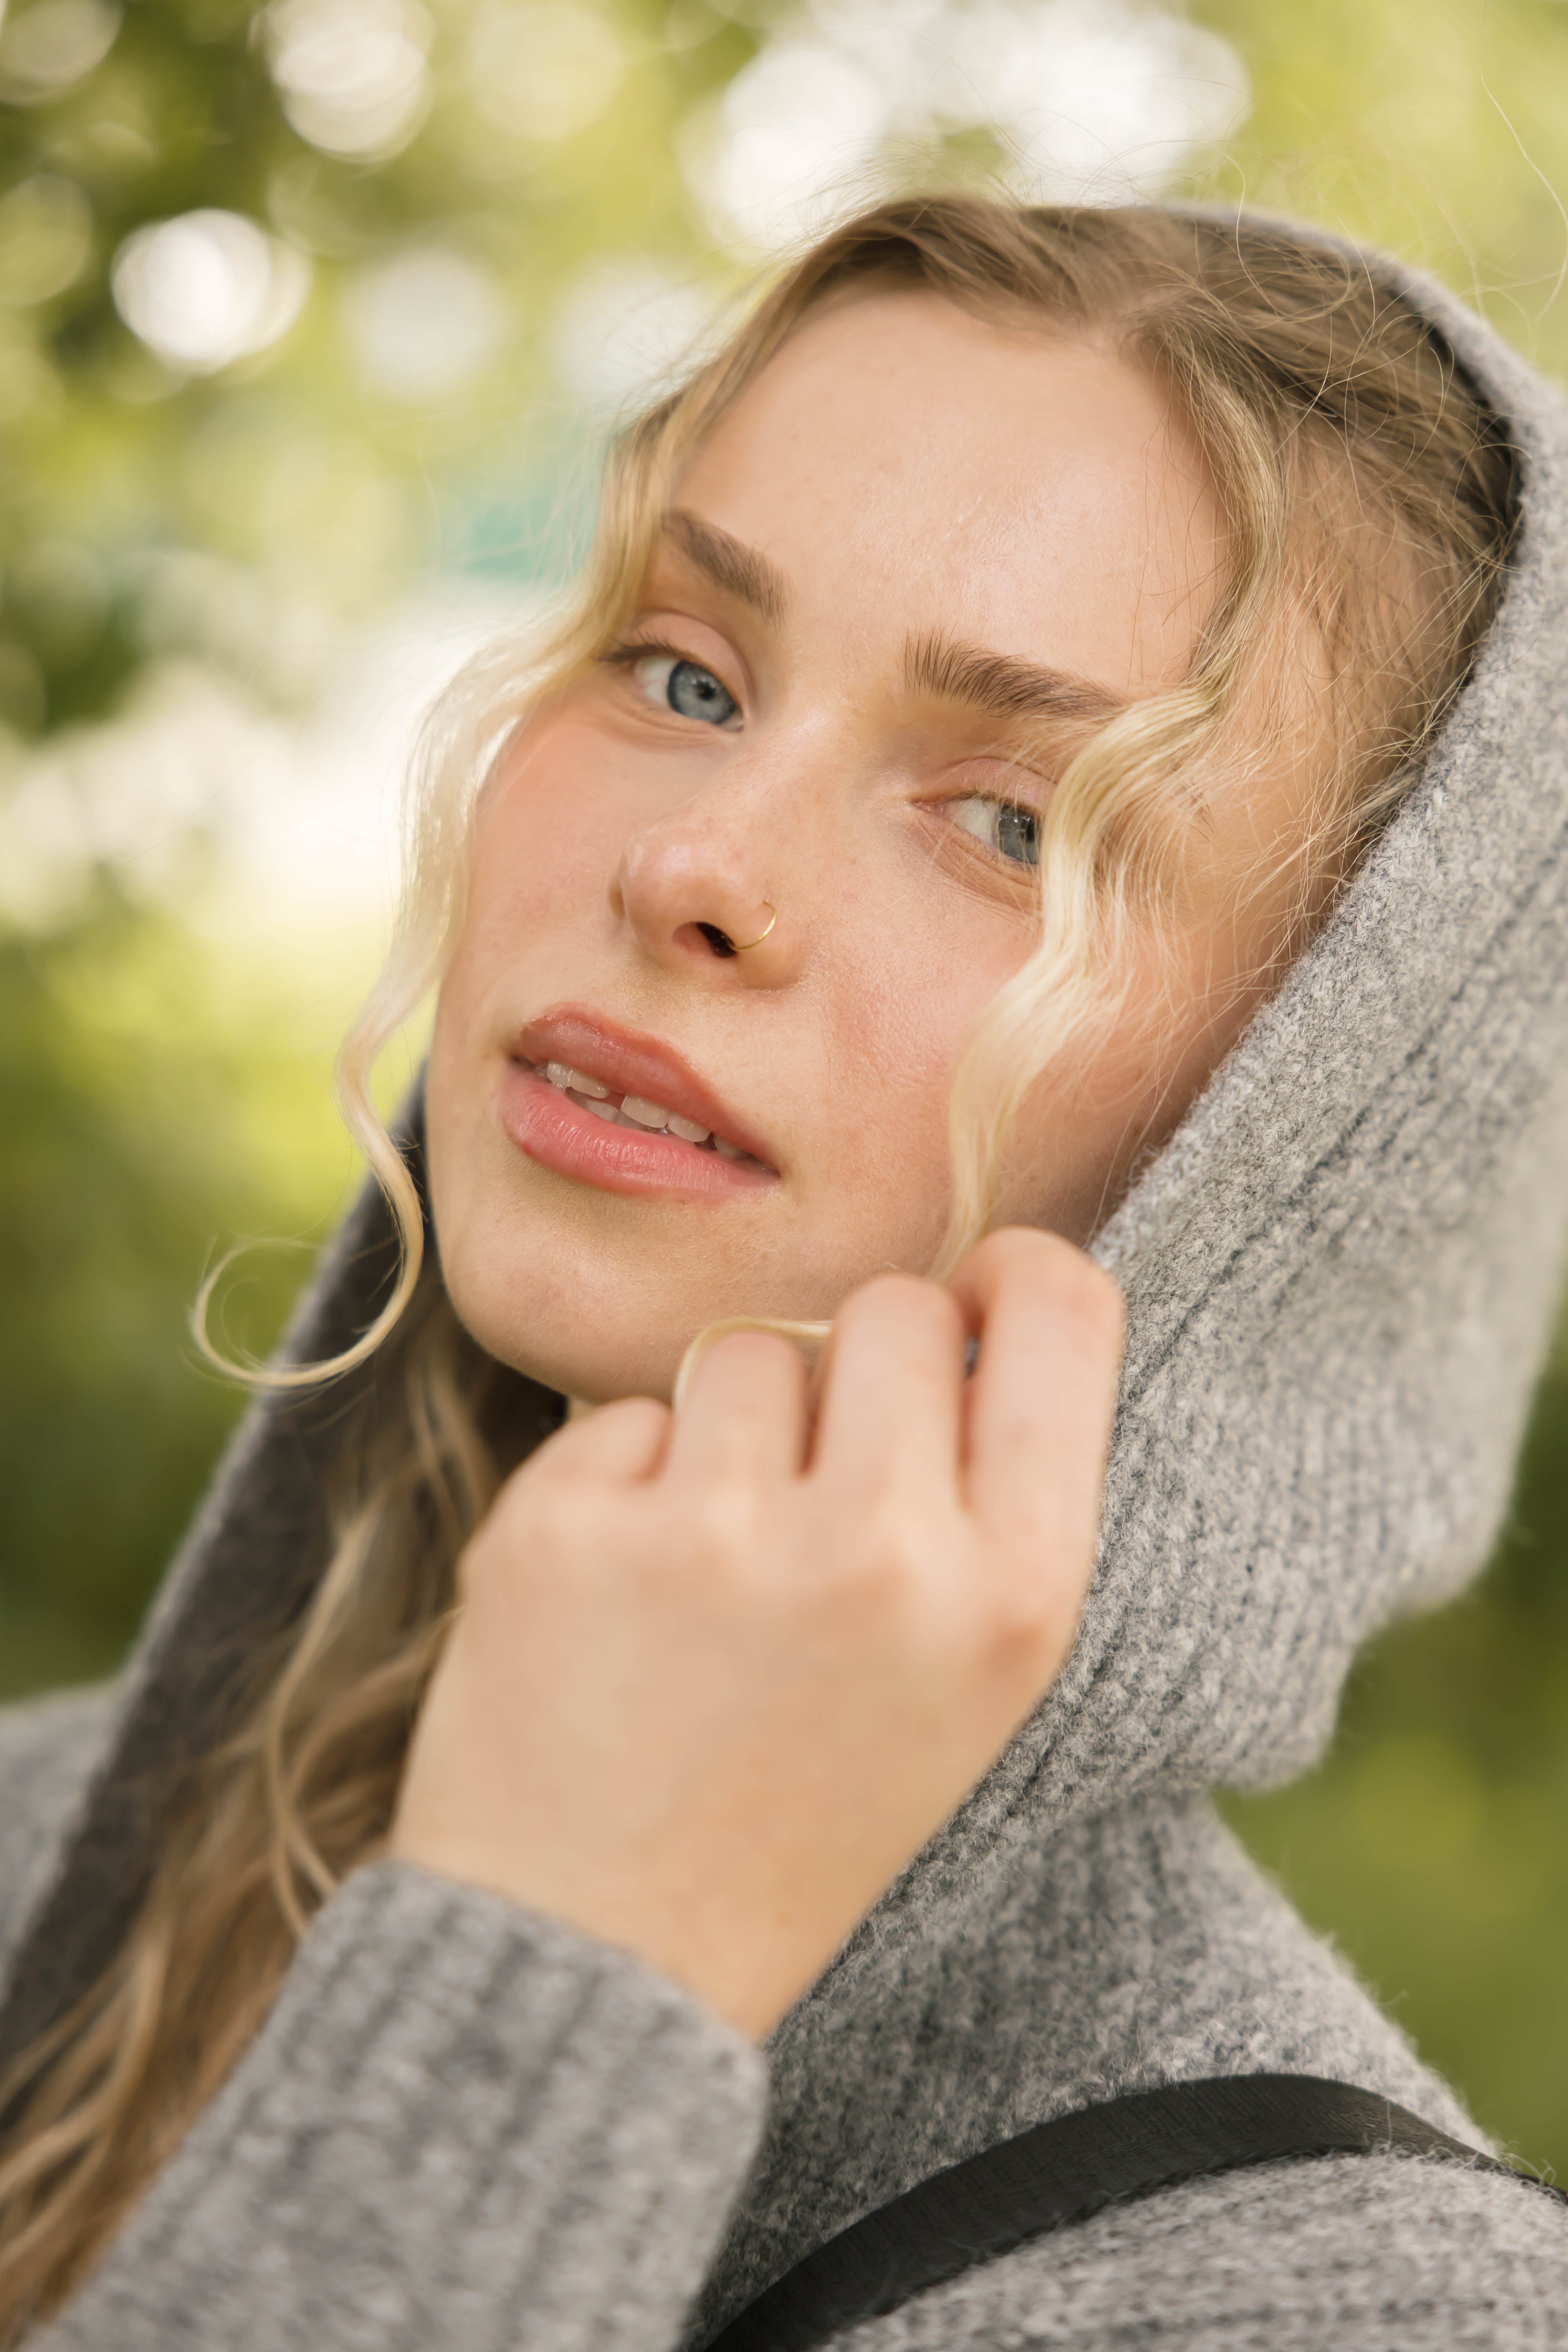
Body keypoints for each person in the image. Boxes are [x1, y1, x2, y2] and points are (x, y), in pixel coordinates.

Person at [0, 193, 1565, 2350]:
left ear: (1323, 1131)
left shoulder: (1358, 2314)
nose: (691, 864)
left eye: (1021, 820)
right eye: (683, 670)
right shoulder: (32, 1833)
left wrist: (554, 1986)